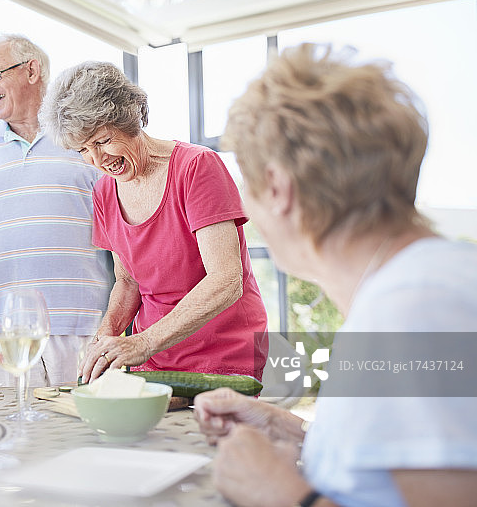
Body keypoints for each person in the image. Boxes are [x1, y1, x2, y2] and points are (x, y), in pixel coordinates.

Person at [193, 44, 477, 507]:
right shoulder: (416, 286)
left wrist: (282, 494)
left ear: (280, 189)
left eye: (247, 182)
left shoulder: (413, 309)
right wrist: (296, 433)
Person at [40, 61, 269, 383]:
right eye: (83, 150)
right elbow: (128, 282)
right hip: (154, 362)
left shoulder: (197, 167)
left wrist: (144, 342)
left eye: (103, 141)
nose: (97, 160)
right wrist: (105, 339)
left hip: (224, 356)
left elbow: (227, 280)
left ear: (128, 119)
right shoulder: (105, 191)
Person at [0, 34, 113, 387]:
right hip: (6, 334)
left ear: (32, 70)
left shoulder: (82, 135)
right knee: (10, 438)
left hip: (85, 331)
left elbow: (123, 223)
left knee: (84, 437)